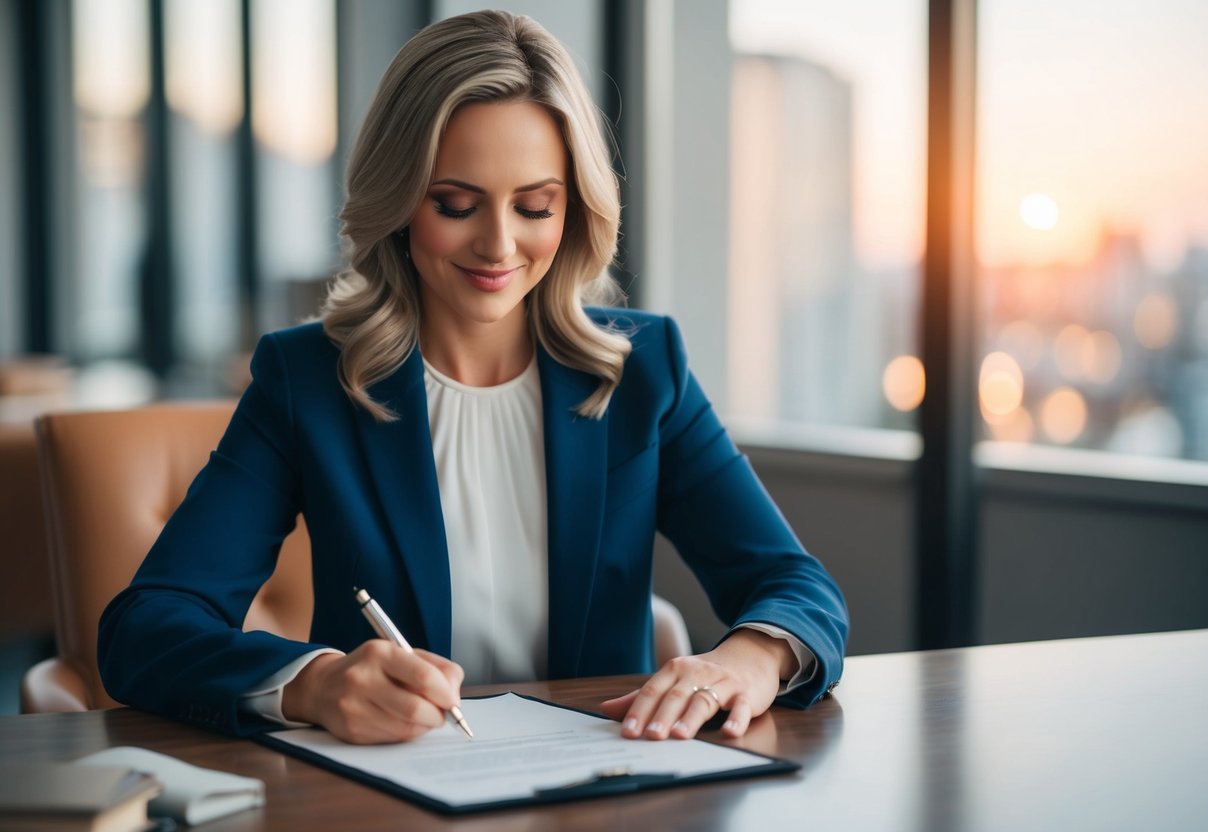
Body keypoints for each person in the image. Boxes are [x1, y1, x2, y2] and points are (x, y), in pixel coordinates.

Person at [98, 9, 848, 745]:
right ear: (397, 202)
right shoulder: (308, 381)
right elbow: (146, 629)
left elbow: (798, 588)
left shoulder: (644, 370)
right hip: (386, 799)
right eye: (455, 204)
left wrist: (753, 655)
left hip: (605, 792)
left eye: (534, 206)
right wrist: (313, 683)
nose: (497, 245)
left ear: (574, 210)